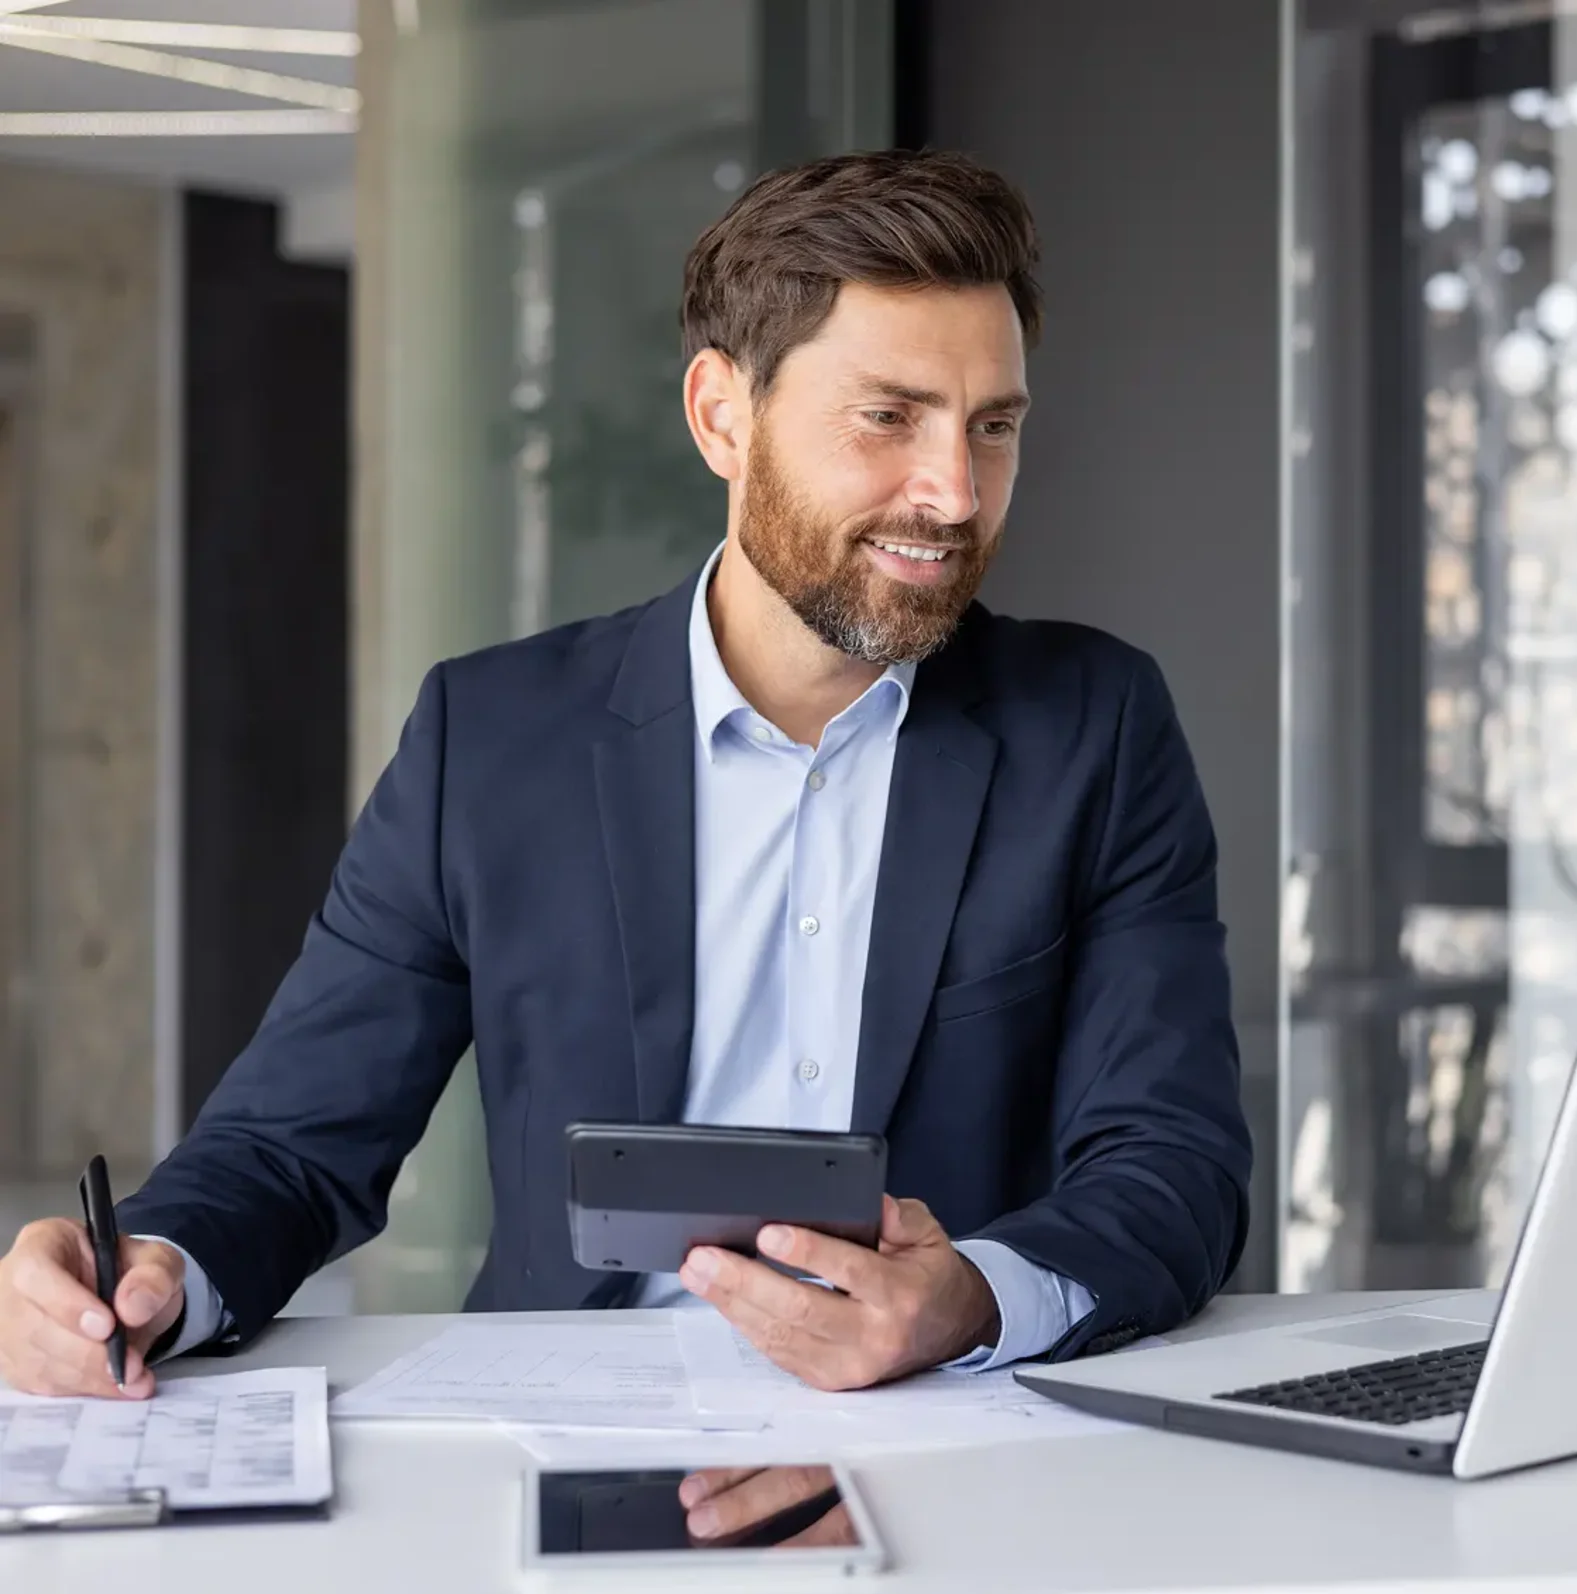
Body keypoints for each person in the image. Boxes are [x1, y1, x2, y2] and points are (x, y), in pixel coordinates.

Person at [0, 149, 1252, 1400]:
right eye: (888, 416)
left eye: (992, 426)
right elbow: (290, 1142)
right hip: (571, 1420)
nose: (955, 493)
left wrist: (966, 1298)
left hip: (948, 1424)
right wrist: (152, 1273)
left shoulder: (1090, 728)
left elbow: (1173, 1164)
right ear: (721, 416)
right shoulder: (491, 739)